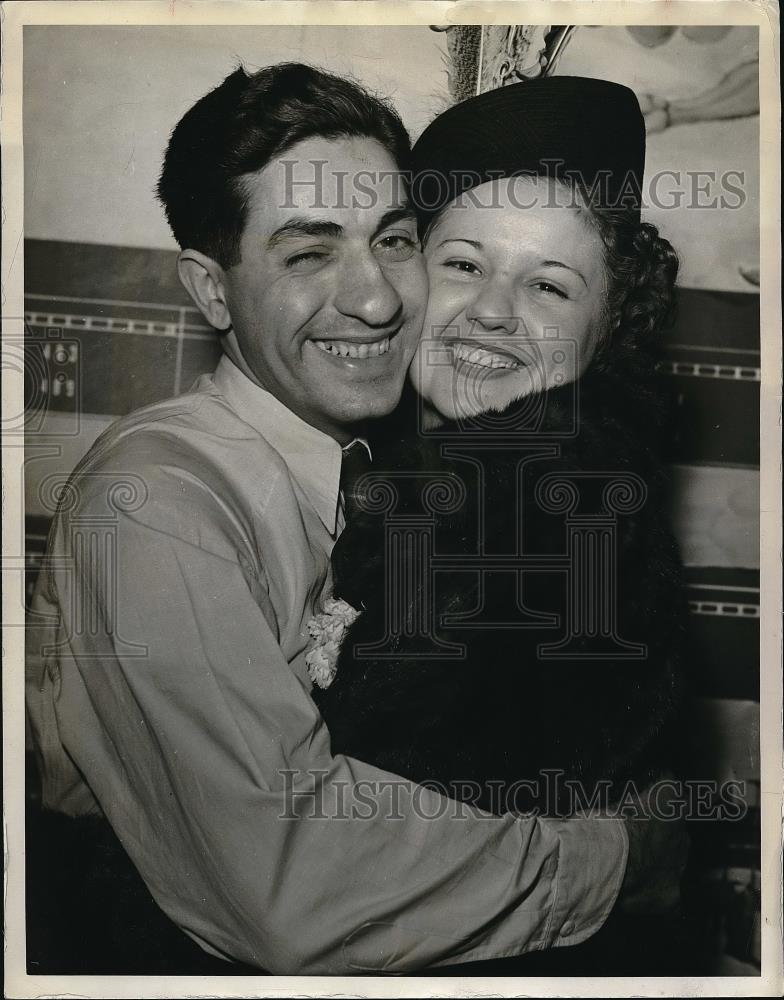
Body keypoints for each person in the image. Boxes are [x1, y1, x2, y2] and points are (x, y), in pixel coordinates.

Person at [25, 63, 685, 975]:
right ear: (212, 292)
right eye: (308, 253)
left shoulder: (447, 486)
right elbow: (287, 881)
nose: (375, 300)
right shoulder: (163, 507)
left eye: (393, 241)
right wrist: (615, 861)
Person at [313, 77, 690, 972]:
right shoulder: (419, 479)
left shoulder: (531, 502)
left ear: (610, 331)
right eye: (466, 265)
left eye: (550, 288)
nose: (490, 311)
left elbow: (352, 863)